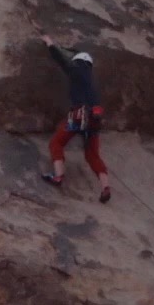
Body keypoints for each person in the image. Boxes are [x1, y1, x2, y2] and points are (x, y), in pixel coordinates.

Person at [39, 34, 111, 203]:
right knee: (92, 155)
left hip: (78, 116)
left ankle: (58, 176)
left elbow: (61, 60)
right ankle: (105, 187)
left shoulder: (76, 70)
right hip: (94, 120)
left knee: (56, 143)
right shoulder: (92, 83)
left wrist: (50, 43)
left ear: (78, 61)